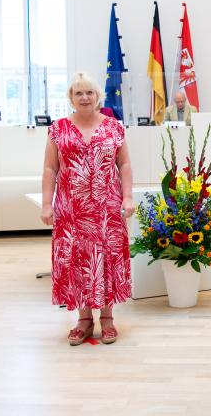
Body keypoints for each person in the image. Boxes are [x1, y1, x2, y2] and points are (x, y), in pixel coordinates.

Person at [41, 72, 134, 346]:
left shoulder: (114, 128)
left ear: (98, 97)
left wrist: (127, 197)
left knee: (105, 259)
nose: (84, 97)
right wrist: (47, 203)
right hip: (71, 211)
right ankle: (83, 320)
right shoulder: (58, 129)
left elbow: (125, 165)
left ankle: (107, 318)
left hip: (107, 209)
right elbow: (50, 168)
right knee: (77, 262)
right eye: (78, 93)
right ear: (71, 98)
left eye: (89, 93)